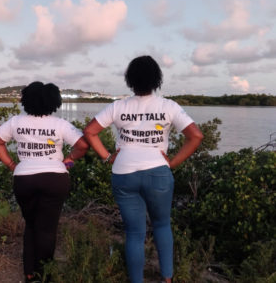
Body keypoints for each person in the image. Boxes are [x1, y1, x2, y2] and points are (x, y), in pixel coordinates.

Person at [83, 56, 203, 283]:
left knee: (135, 233)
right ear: (157, 79)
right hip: (158, 172)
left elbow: (90, 132)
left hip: (123, 172)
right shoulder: (169, 106)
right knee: (162, 224)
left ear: (130, 80)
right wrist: (173, 162)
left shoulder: (118, 106)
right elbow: (196, 136)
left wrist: (108, 157)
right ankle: (167, 278)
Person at [0, 81, 88, 282]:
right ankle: (44, 275)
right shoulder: (60, 124)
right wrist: (69, 160)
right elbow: (83, 145)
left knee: (32, 225)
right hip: (55, 178)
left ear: (26, 101)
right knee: (48, 228)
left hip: (24, 178)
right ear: (54, 102)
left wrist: (11, 164)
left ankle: (29, 273)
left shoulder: (16, 122)